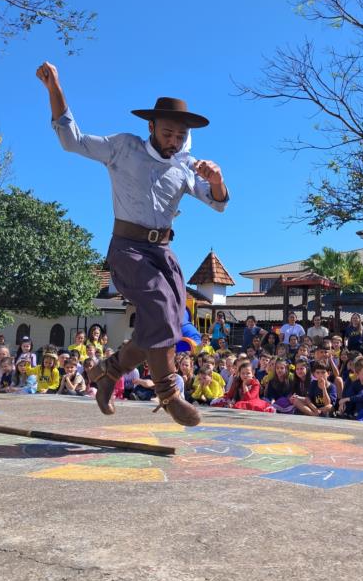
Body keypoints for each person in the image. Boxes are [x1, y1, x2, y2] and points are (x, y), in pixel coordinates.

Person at [38, 61, 229, 426]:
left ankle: (107, 373)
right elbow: (71, 140)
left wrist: (217, 178)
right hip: (127, 247)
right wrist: (55, 88)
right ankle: (169, 395)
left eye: (179, 136)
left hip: (163, 253)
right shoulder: (123, 147)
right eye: (168, 133)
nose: (173, 141)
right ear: (152, 126)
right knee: (158, 307)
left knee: (168, 325)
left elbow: (217, 202)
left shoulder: (186, 165)